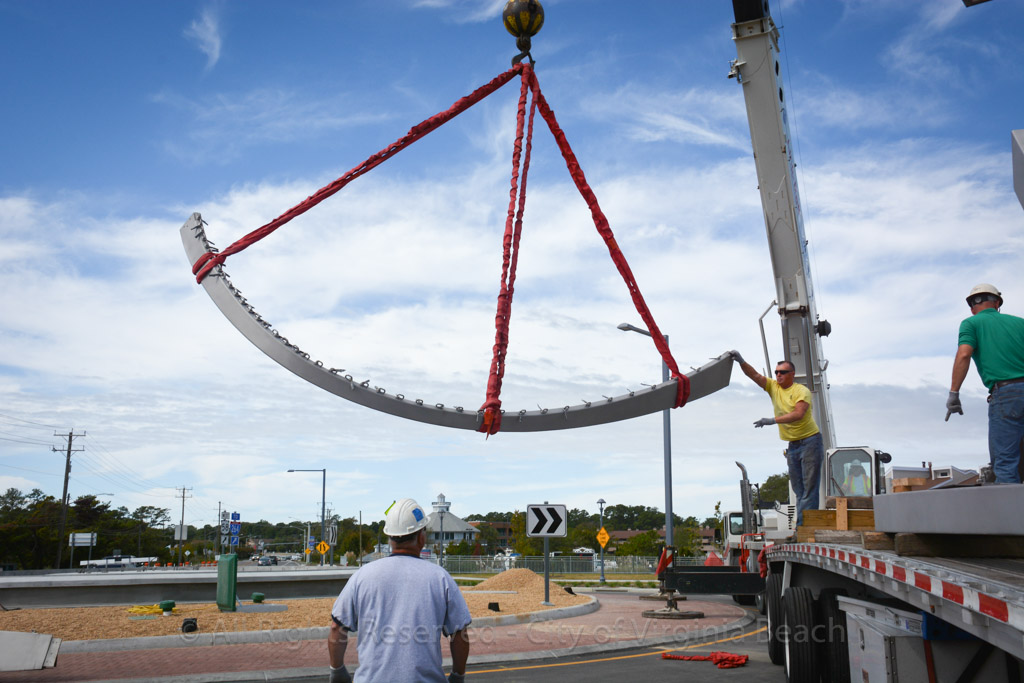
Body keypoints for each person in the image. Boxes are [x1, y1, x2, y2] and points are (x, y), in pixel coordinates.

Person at [328, 498, 471, 683]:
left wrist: (337, 671)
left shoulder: (362, 576)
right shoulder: (440, 578)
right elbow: (459, 633)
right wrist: (458, 675)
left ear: (390, 538)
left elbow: (336, 627)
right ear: (421, 537)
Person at [729, 351, 824, 526]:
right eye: (776, 372)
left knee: (809, 488)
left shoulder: (800, 391)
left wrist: (772, 420)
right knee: (798, 489)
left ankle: (804, 530)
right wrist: (741, 360)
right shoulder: (774, 387)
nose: (778, 375)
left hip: (810, 442)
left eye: (782, 372)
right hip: (793, 445)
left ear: (792, 375)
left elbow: (798, 414)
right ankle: (802, 528)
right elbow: (755, 375)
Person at [946, 283, 1024, 484]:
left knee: (1005, 464)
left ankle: (1010, 514)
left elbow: (964, 354)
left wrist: (954, 394)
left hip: (1006, 394)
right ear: (997, 302)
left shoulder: (971, 323)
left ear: (972, 306)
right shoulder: (1020, 323)